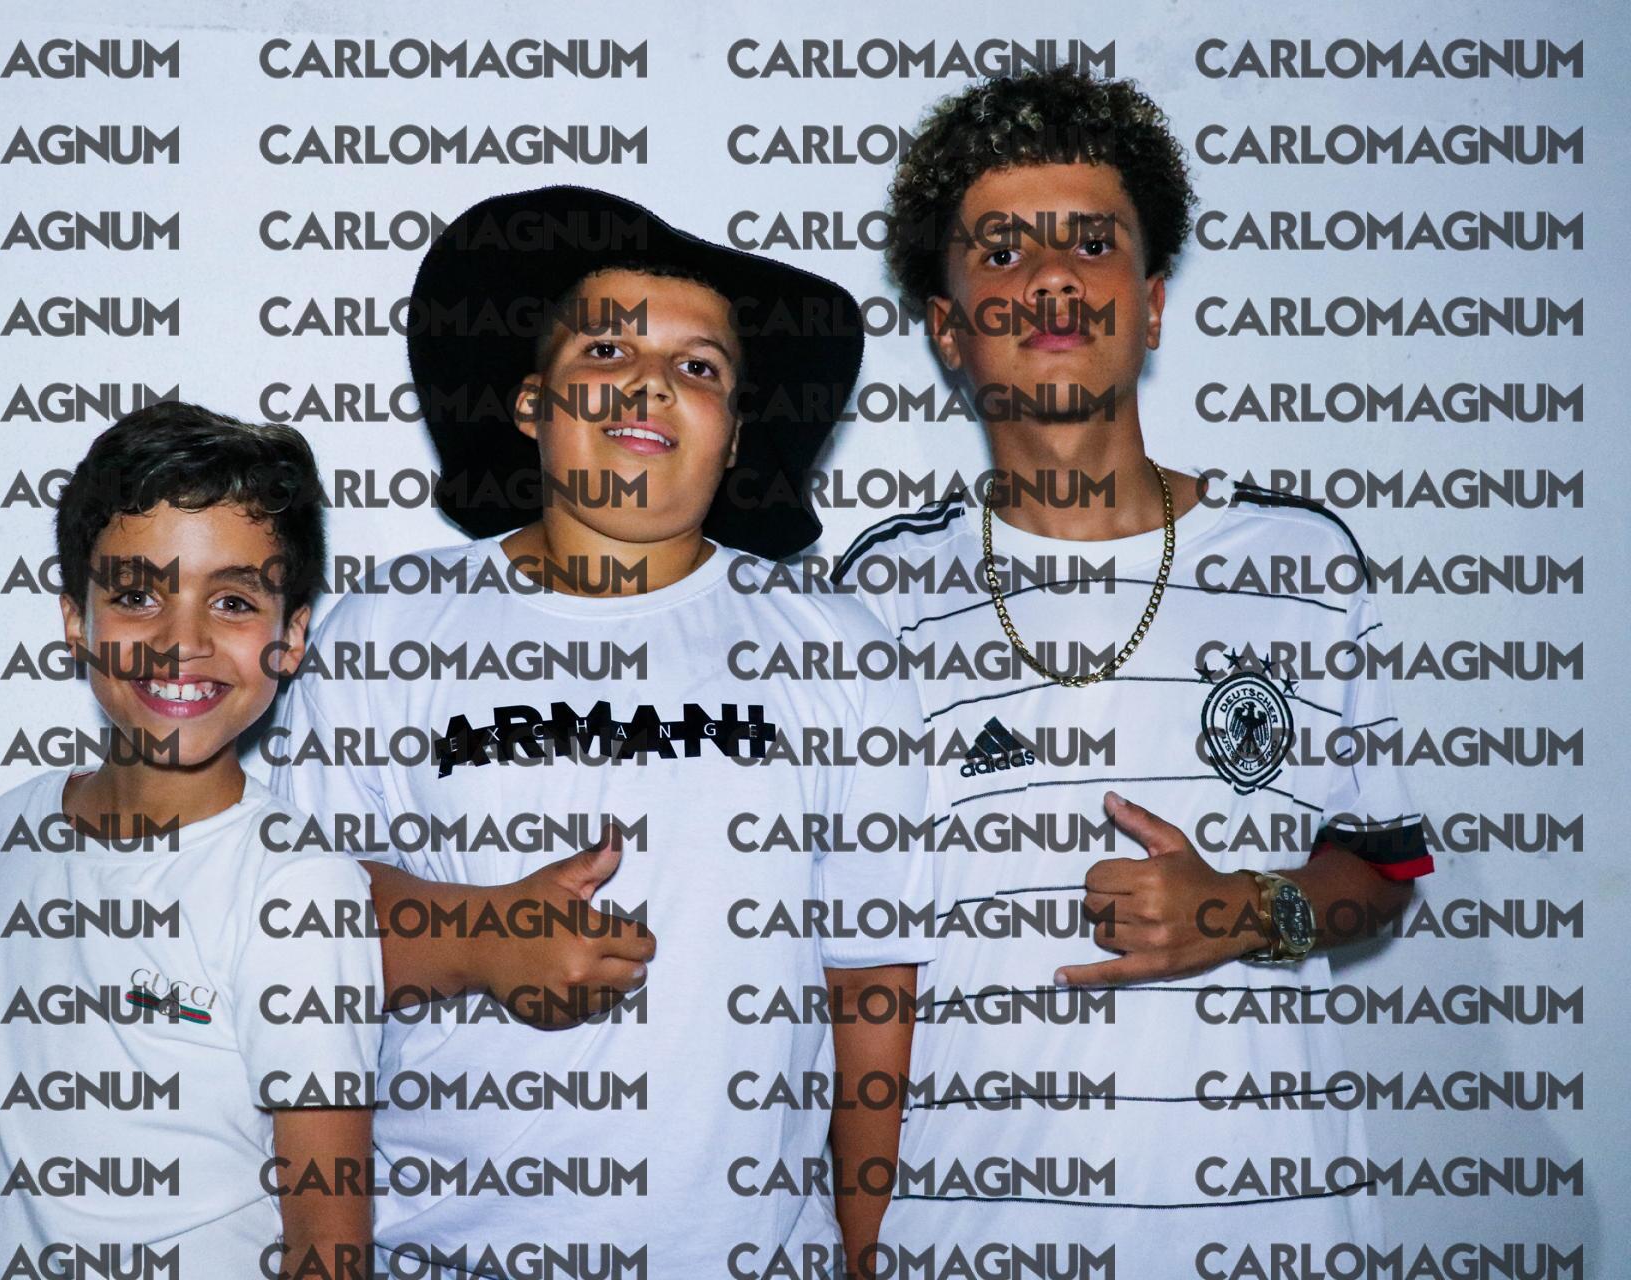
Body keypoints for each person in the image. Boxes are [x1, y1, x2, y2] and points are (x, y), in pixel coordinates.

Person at [269, 185, 934, 1277]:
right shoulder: (387, 629)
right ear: (532, 402)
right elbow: (297, 943)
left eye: (699, 366)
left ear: (735, 434)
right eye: (609, 347)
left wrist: (865, 1256)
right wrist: (479, 935)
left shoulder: (838, 649)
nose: (651, 382)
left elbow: (869, 984)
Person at [834, 68, 1433, 1270]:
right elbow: (864, 980)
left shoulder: (1303, 562)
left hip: (1271, 1229)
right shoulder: (873, 596)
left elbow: (1384, 872)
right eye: (1003, 250)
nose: (1053, 278)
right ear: (948, 327)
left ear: (1150, 305)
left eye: (1092, 242)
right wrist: (859, 1244)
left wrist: (1245, 908)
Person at [0, 402, 381, 1280]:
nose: (181, 642)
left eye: (232, 602)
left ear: (290, 638)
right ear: (76, 620)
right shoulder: (6, 830)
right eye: (137, 595)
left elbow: (329, 1241)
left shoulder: (298, 888)